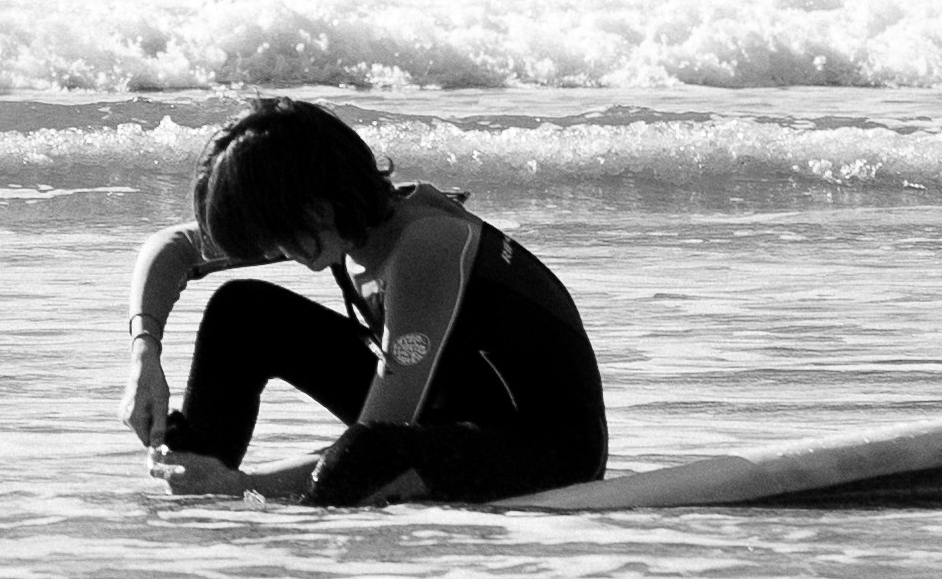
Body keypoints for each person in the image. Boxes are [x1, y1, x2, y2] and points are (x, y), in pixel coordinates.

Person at [123, 96, 606, 506]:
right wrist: (145, 354)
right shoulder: (354, 223)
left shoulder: (426, 245)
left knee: (362, 460)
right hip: (445, 412)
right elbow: (174, 247)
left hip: (544, 453)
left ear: (317, 208)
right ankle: (197, 478)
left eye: (280, 238)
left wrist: (250, 488)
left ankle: (221, 491)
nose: (276, 255)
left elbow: (377, 439)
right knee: (242, 313)